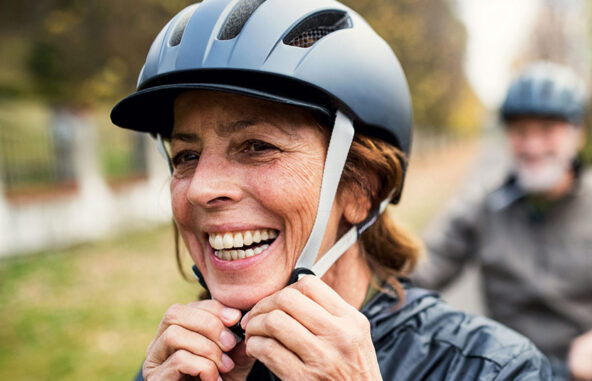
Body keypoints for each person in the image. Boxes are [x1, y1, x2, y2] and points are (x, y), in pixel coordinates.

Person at [110, 1, 552, 380]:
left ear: (361, 186)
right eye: (186, 156)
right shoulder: (177, 363)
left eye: (257, 147)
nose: (201, 189)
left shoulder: (494, 368)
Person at [412, 62, 592, 381]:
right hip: (504, 370)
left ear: (577, 135)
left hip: (584, 374)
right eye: (520, 131)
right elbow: (421, 270)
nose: (532, 146)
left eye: (547, 130)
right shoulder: (483, 204)